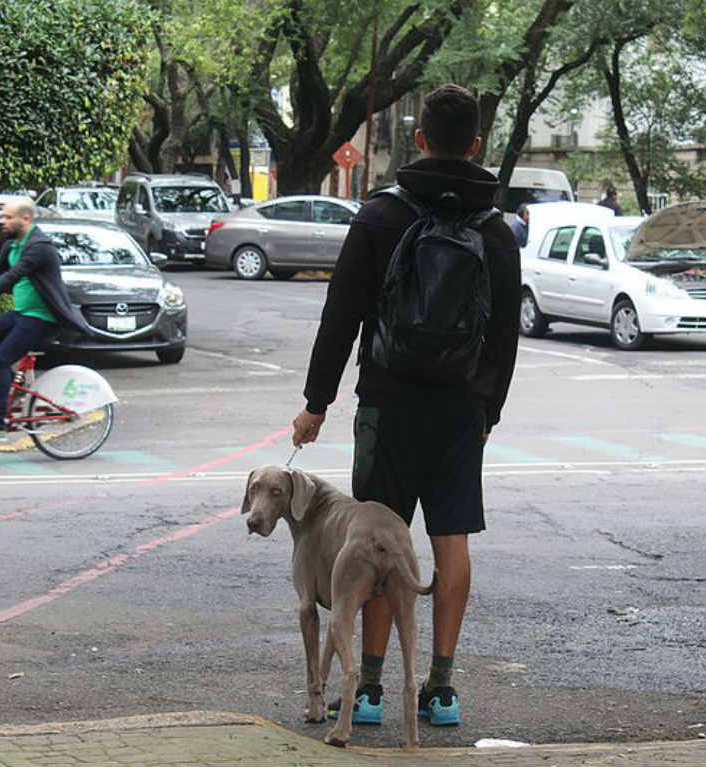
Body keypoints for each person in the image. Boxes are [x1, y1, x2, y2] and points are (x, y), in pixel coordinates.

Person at [291, 84, 521, 727]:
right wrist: (488, 414)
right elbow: (504, 336)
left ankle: (366, 690)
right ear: (475, 145)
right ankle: (441, 690)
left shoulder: (380, 216)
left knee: (375, 543)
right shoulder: (495, 229)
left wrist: (317, 402)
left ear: (420, 139)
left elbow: (341, 316)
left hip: (386, 404)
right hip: (458, 411)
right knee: (451, 544)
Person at [0, 198, 97, 443]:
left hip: (43, 317)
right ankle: (14, 389)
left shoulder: (39, 247)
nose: (4, 222)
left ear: (26, 218)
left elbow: (10, 278)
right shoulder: (13, 246)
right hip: (23, 313)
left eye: (9, 217)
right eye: (4, 217)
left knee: (1, 359)